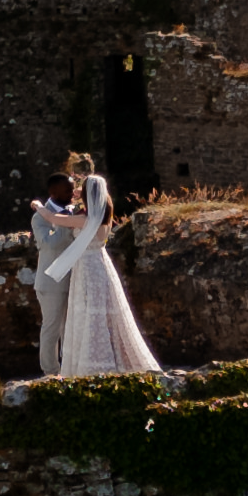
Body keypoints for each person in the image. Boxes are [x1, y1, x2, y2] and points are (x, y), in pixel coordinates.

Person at [40, 168, 160, 377]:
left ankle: (93, 365)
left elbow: (54, 218)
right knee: (105, 313)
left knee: (89, 313)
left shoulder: (84, 220)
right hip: (101, 265)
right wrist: (85, 194)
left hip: (86, 268)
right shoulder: (103, 217)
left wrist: (37, 205)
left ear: (87, 196)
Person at [24, 161, 89, 374]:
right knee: (51, 327)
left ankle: (70, 369)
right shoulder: (39, 218)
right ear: (53, 191)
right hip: (51, 281)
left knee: (69, 328)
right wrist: (66, 221)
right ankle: (50, 372)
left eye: (73, 187)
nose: (72, 191)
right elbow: (49, 244)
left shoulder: (74, 211)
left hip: (73, 278)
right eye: (68, 188)